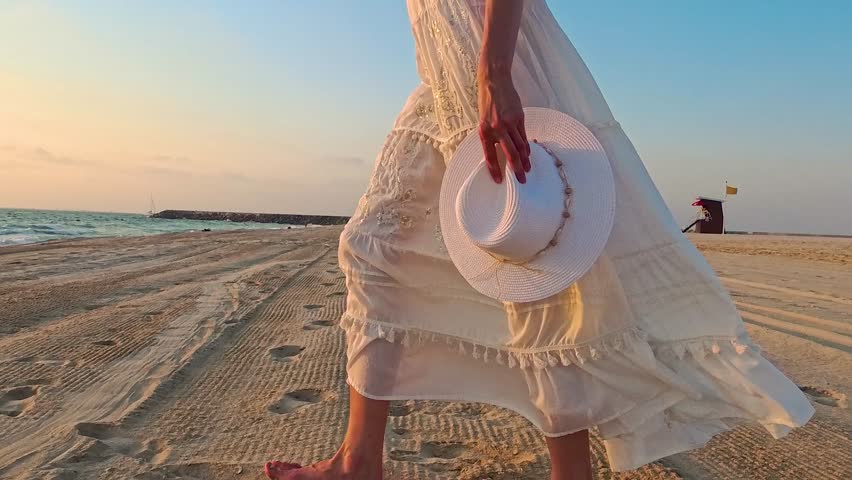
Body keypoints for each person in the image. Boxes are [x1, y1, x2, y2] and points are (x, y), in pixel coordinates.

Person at [265, 1, 814, 478]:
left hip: (492, 63)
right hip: (443, 73)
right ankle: (357, 462)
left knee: (541, 273)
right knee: (372, 249)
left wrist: (495, 74)